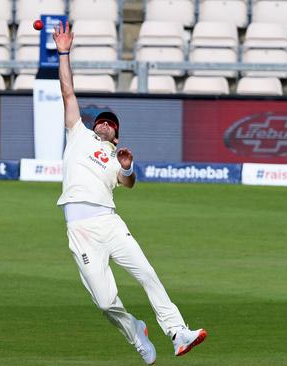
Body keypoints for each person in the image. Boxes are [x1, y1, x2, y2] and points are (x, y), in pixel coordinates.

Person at [52, 21, 208, 365]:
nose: (104, 123)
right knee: (106, 302)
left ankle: (177, 331)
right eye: (101, 121)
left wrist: (126, 167)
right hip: (80, 230)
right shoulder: (77, 134)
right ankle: (136, 332)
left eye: (111, 124)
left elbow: (127, 185)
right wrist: (63, 52)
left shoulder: (116, 156)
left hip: (109, 222)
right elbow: (67, 91)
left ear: (117, 135)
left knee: (146, 273)